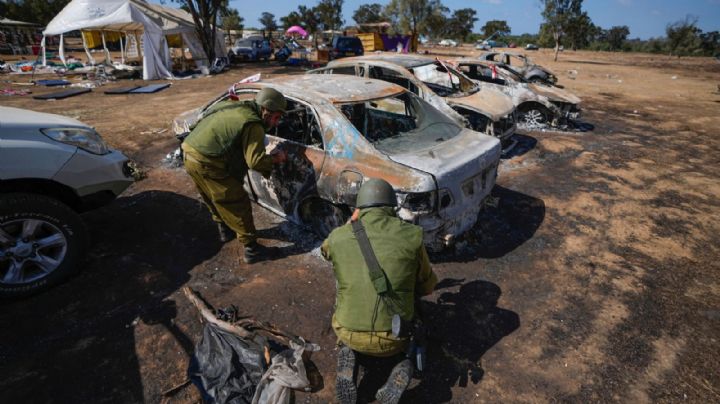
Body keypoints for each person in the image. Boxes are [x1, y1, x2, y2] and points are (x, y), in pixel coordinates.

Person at [321, 178, 438, 404]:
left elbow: (325, 252)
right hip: (394, 339)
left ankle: (347, 350)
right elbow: (428, 287)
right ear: (392, 206)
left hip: (347, 330)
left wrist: (349, 223)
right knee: (417, 318)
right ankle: (406, 362)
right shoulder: (412, 236)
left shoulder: (338, 237)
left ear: (359, 208)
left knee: (344, 285)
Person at [182, 87, 287, 264]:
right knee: (237, 202)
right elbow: (255, 162)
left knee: (211, 195)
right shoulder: (253, 124)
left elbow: (196, 124)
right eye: (276, 117)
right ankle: (252, 250)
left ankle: (225, 229)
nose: (276, 123)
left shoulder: (230, 105)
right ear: (266, 111)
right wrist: (276, 158)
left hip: (189, 152)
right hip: (208, 161)